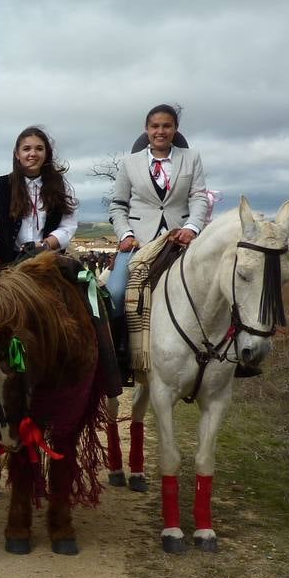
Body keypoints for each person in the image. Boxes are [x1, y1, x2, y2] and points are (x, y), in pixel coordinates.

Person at [107, 104, 209, 377]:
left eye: (166, 126)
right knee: (116, 293)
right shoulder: (130, 163)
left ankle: (217, 354)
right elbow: (118, 205)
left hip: (180, 237)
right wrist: (126, 235)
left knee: (214, 287)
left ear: (175, 129)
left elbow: (199, 197)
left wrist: (191, 227)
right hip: (139, 241)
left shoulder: (192, 158)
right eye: (155, 126)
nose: (160, 131)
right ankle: (120, 353)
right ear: (147, 129)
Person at [0, 125, 80, 319]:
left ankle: (104, 348)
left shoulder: (61, 185)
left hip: (48, 259)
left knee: (89, 302)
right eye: (26, 149)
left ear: (46, 154)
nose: (32, 154)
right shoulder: (0, 185)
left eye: (39, 148)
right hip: (7, 262)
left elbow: (67, 226)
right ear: (17, 154)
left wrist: (43, 245)